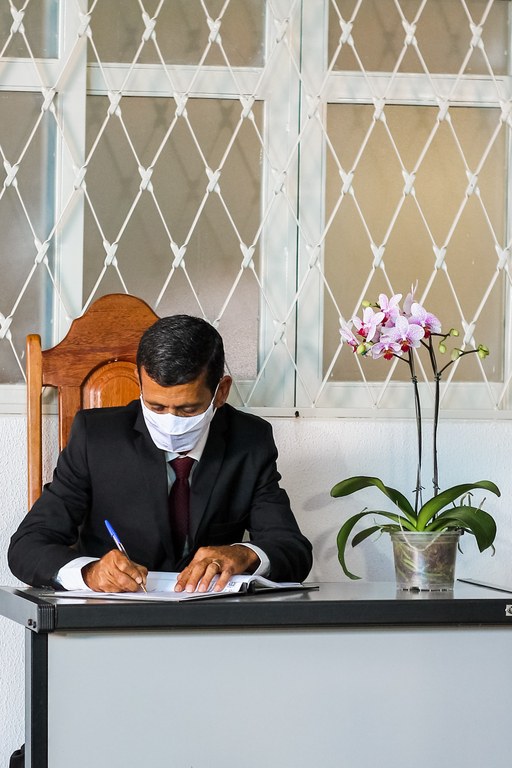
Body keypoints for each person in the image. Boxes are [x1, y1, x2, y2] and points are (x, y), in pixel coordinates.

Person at [8, 314, 312, 595]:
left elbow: (293, 549)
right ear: (140, 384)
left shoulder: (249, 441)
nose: (170, 421)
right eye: (156, 406)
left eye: (188, 409)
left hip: (211, 619)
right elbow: (28, 545)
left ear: (221, 392)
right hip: (111, 615)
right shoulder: (97, 438)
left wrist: (244, 554)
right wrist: (89, 573)